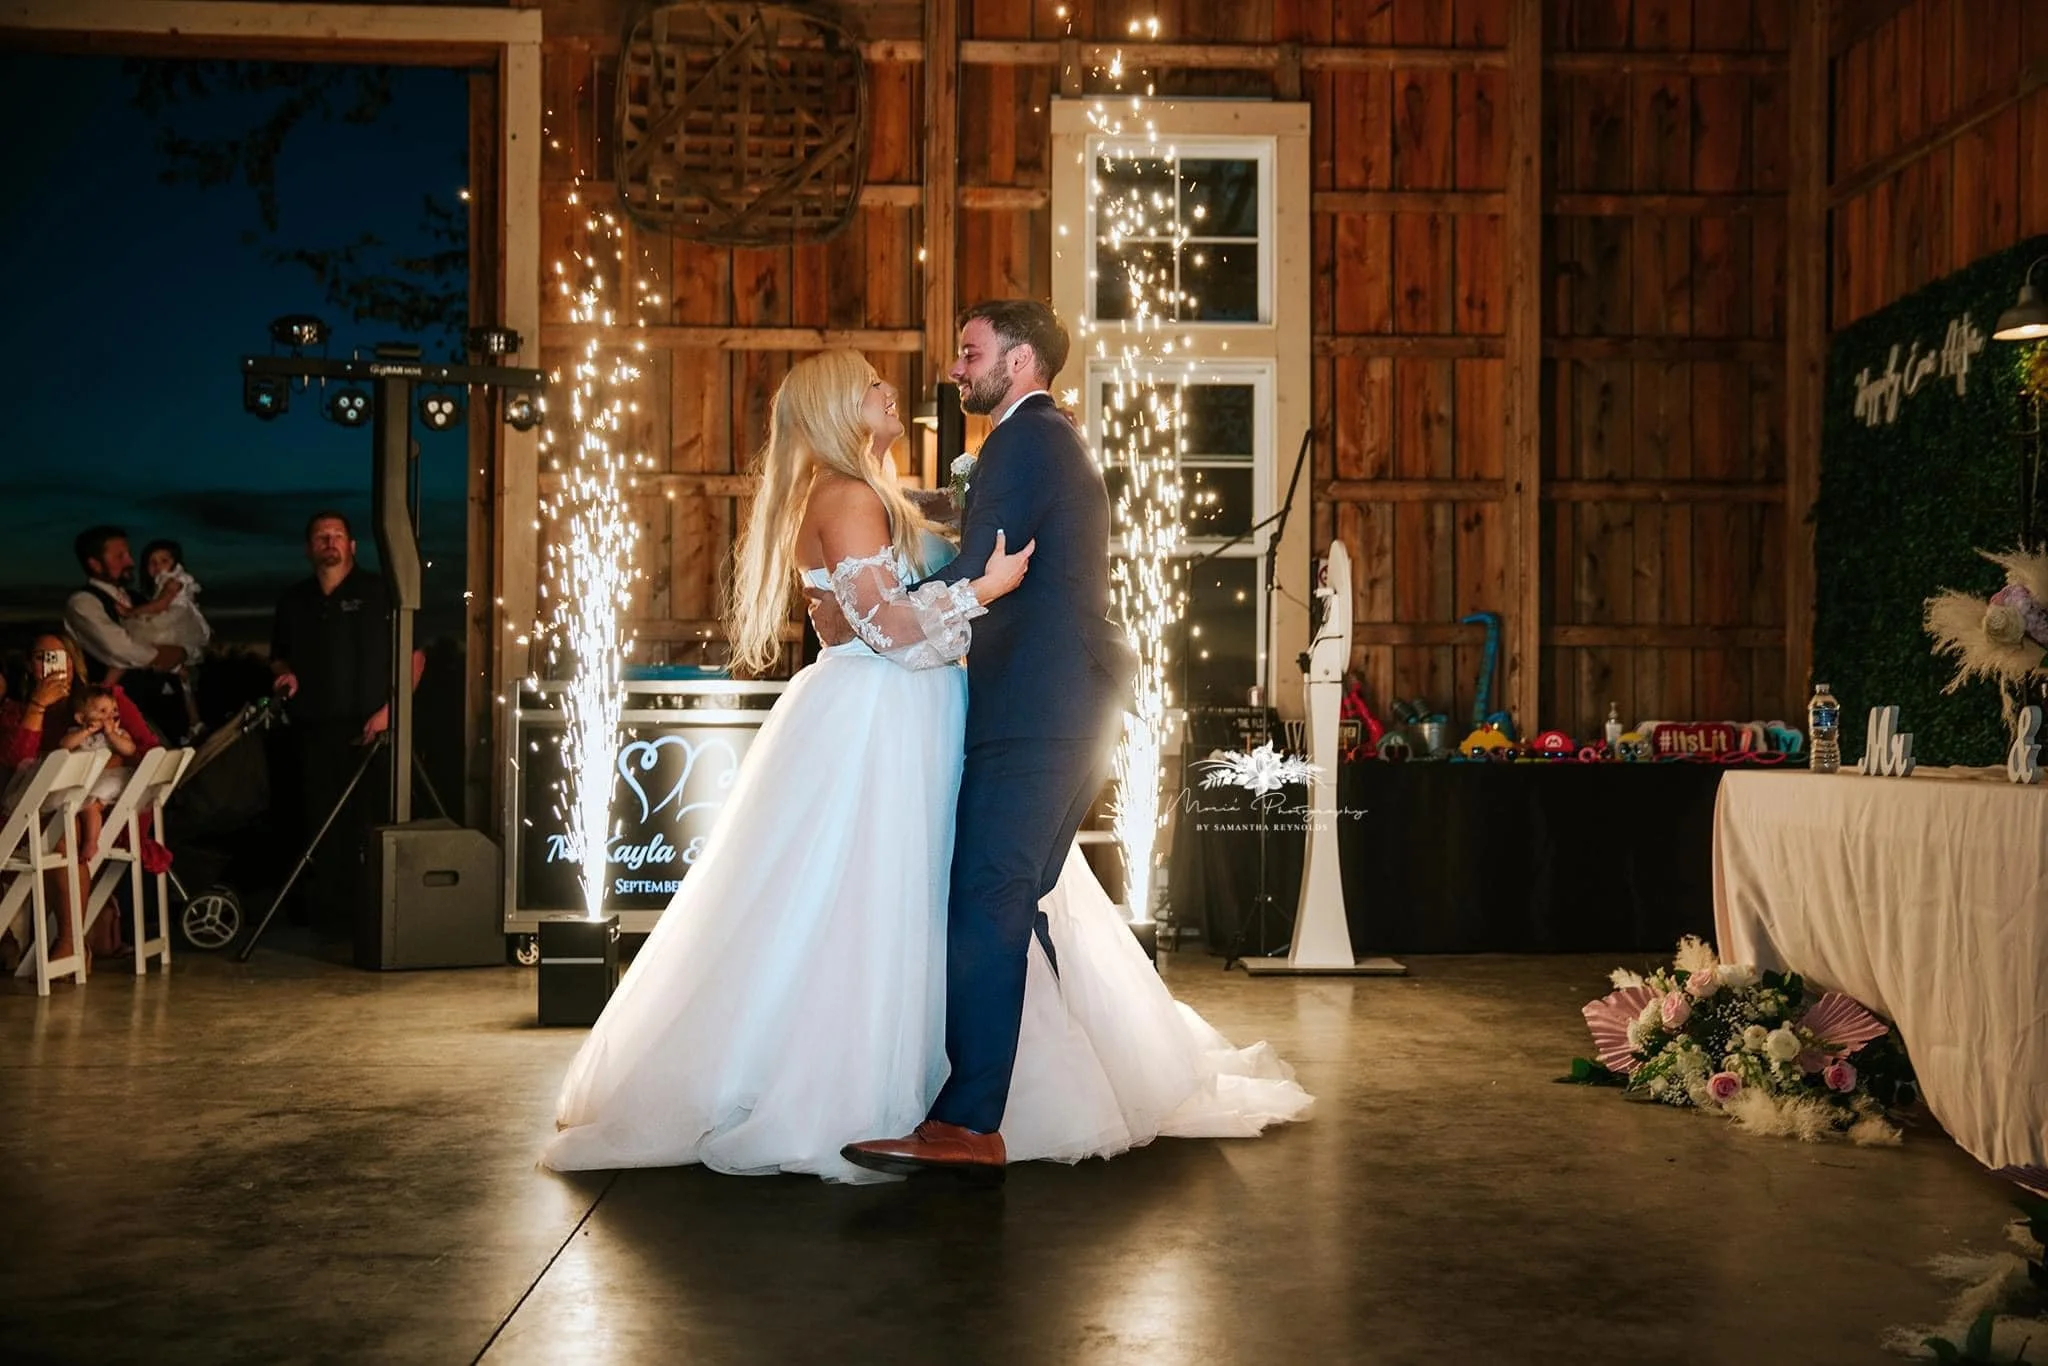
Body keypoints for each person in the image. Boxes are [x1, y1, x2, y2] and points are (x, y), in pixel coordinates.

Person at [542, 340, 1310, 1183]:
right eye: (871, 386)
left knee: (952, 892)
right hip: (883, 715)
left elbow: (879, 588)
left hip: (917, 710)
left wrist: (976, 498)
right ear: (841, 409)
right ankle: (886, 1090)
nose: (888, 391)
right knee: (889, 896)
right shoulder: (843, 495)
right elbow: (891, 633)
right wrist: (984, 588)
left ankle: (964, 1091)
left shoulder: (869, 494)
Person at [268, 511, 421, 933]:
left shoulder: (382, 592)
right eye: (321, 537)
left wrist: (392, 711)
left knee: (368, 822)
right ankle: (328, 918)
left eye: (337, 535)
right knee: (319, 821)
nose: (329, 542)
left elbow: (415, 656)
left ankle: (375, 917)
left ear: (352, 546)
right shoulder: (294, 600)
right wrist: (284, 674)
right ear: (308, 549)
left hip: (371, 728)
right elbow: (278, 654)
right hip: (312, 728)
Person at [63, 526, 185, 743]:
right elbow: (118, 648)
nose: (130, 561)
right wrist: (164, 655)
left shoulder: (138, 599)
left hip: (165, 706)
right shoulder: (83, 602)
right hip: (120, 720)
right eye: (120, 556)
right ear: (95, 563)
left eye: (128, 554)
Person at [123, 538, 213, 742]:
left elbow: (160, 606)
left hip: (174, 621)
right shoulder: (162, 582)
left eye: (163, 560)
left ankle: (192, 721)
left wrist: (132, 612)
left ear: (174, 562)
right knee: (182, 681)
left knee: (149, 644)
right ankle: (193, 722)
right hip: (171, 621)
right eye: (152, 562)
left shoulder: (173, 581)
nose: (157, 566)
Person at [59, 685, 138, 862]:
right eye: (102, 711)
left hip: (109, 780)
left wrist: (111, 735)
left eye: (114, 710)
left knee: (90, 806)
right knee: (79, 803)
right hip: (84, 782)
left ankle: (91, 841)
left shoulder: (118, 733)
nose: (109, 716)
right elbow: (64, 746)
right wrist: (86, 731)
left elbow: (129, 749)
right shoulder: (78, 733)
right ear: (81, 718)